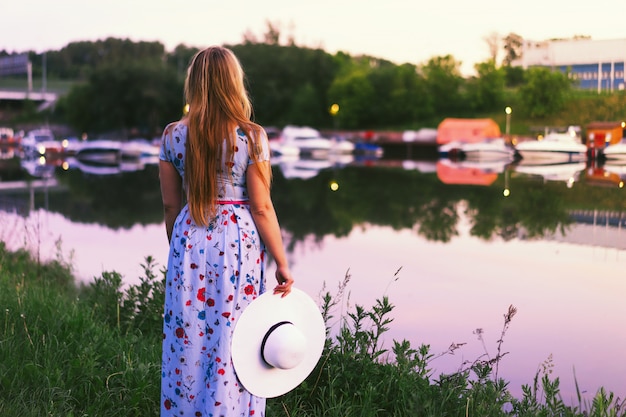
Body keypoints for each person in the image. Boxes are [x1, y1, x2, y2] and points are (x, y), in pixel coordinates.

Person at [158, 45, 294, 417]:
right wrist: (282, 262)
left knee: (189, 336)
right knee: (236, 332)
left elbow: (171, 206)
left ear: (194, 84)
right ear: (234, 83)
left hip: (189, 235)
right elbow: (262, 207)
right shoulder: (251, 136)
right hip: (237, 241)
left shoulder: (172, 136)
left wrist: (180, 247)